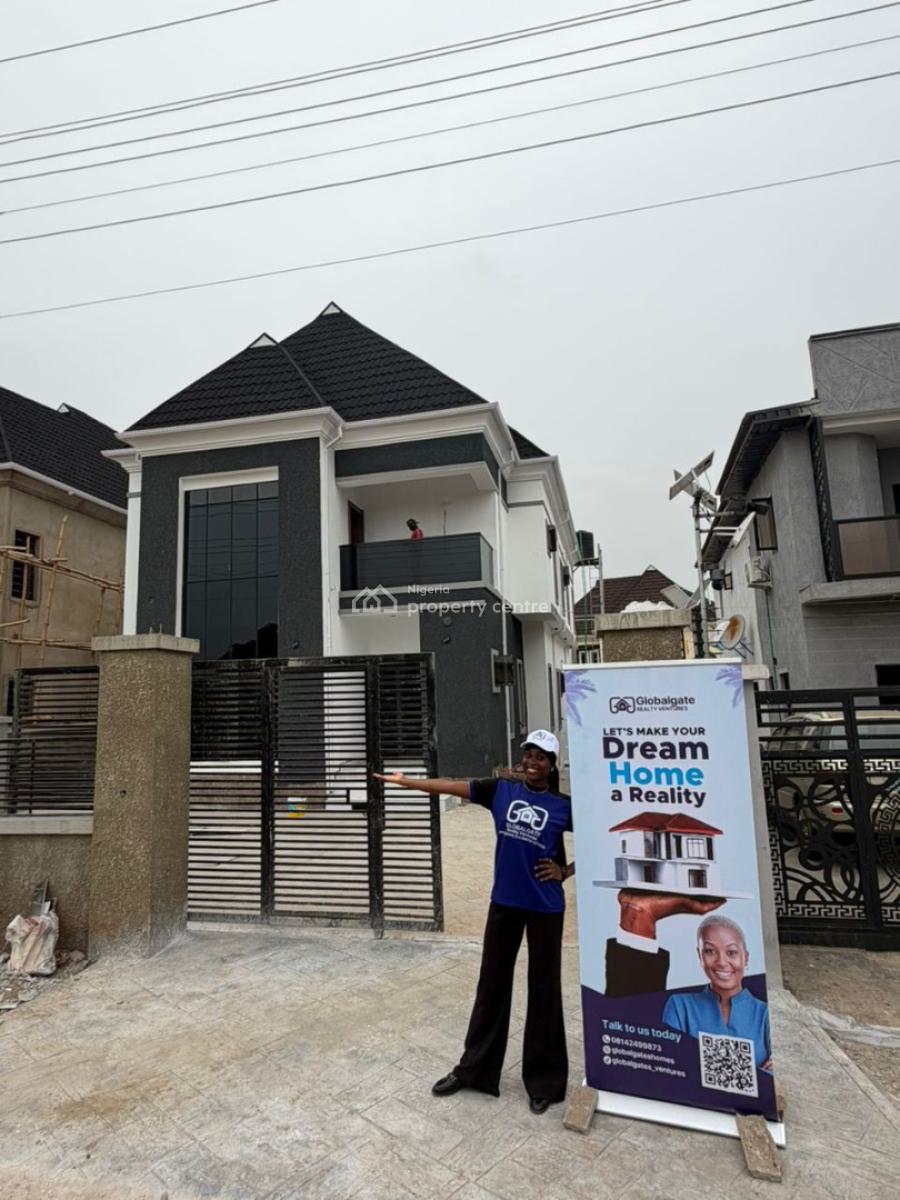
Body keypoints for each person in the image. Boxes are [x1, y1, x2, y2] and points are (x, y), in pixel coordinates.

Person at [374, 729, 573, 1114]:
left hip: (545, 908)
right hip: (505, 903)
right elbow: (451, 785)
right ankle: (475, 1071)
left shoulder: (563, 805)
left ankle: (545, 1081)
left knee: (544, 990)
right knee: (491, 986)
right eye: (529, 754)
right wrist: (406, 781)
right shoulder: (500, 791)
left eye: (541, 757)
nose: (532, 762)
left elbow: (604, 838)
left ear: (551, 765)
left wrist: (565, 871)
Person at [662, 914, 772, 1070]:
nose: (721, 962)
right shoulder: (679, 1007)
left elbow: (777, 1073)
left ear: (746, 958)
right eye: (710, 951)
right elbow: (672, 1065)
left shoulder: (766, 1014)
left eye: (731, 952)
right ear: (700, 956)